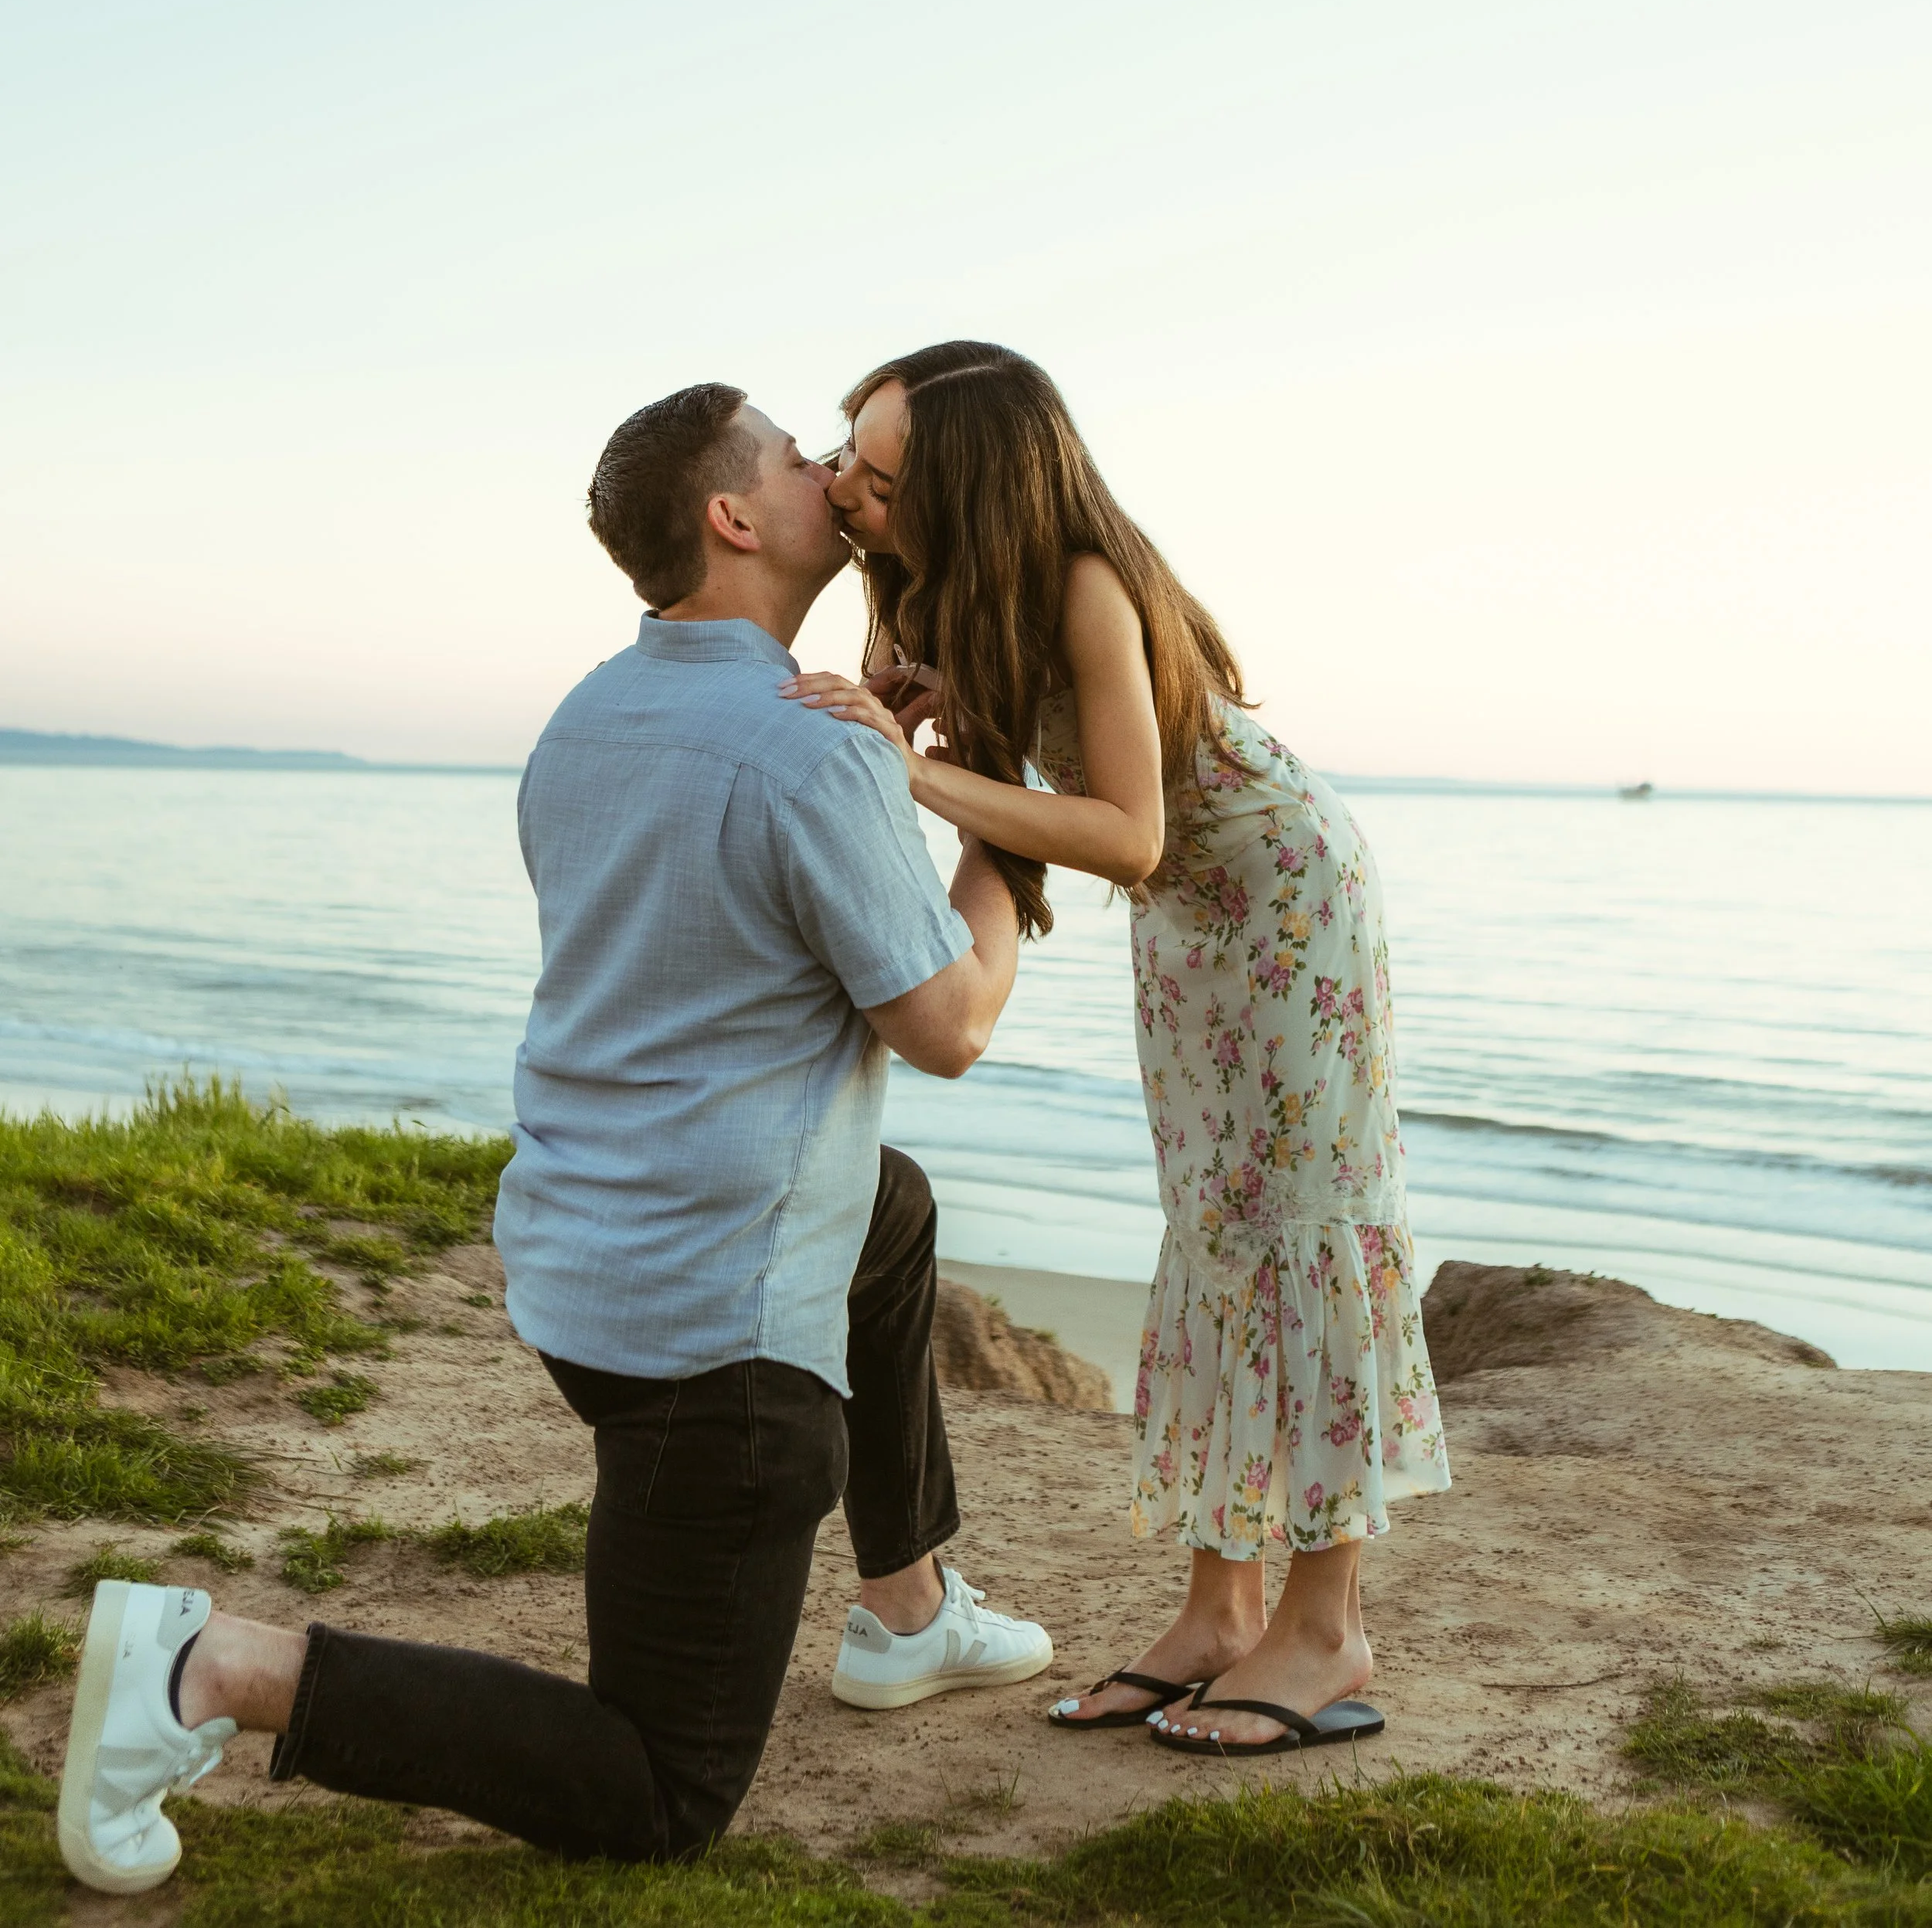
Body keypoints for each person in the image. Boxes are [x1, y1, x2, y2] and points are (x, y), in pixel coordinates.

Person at [56, 383, 1050, 1896]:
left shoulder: (589, 715)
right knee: (655, 1790)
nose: (831, 474)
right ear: (731, 517)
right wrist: (995, 823)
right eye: (798, 456)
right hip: (714, 1344)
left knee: (888, 1207)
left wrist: (879, 770)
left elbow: (714, 950)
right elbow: (950, 1027)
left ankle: (906, 1610)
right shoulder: (812, 753)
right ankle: (209, 1670)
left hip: (582, 1262)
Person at [787, 341, 1451, 1759]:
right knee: (1213, 1232)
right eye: (845, 451)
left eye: (876, 471)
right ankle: (1220, 1610)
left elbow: (1133, 830)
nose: (844, 485)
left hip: (1281, 898)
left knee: (1301, 1233)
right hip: (1190, 925)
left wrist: (915, 764)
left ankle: (1326, 1623)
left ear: (970, 485)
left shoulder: (1086, 581)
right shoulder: (939, 590)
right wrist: (933, 727)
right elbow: (1050, 814)